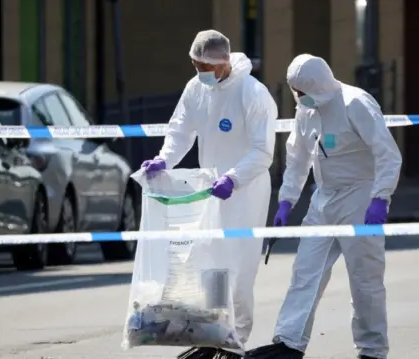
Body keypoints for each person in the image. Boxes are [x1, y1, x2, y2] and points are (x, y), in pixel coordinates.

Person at [244, 54, 402, 359]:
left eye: (301, 92)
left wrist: (381, 197)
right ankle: (289, 342)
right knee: (305, 271)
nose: (297, 97)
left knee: (364, 278)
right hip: (324, 198)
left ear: (316, 86)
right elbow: (298, 158)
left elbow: (388, 153)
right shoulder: (307, 111)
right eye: (295, 92)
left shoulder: (356, 104)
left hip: (360, 195)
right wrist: (286, 202)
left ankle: (372, 351)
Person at [140, 29, 277, 359]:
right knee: (210, 266)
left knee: (240, 268)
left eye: (204, 66)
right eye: (195, 64)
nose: (199, 72)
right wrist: (164, 159)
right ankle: (211, 336)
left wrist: (233, 179)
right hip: (210, 191)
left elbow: (263, 152)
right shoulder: (195, 89)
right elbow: (180, 131)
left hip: (246, 191)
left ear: (223, 63)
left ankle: (236, 341)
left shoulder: (252, 93)